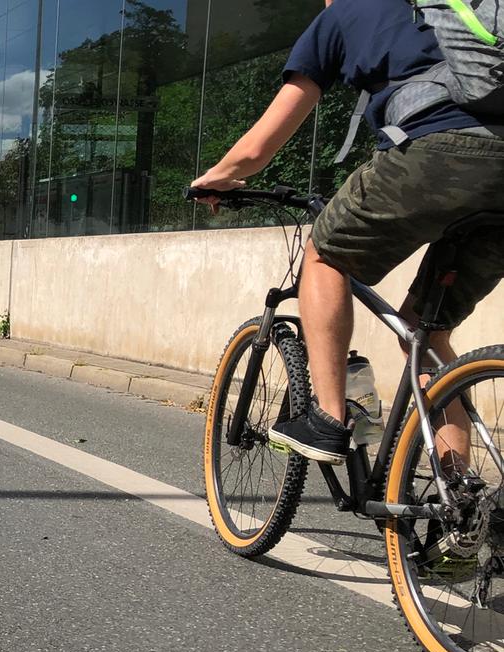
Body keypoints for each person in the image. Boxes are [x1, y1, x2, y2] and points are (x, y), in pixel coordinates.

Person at [191, 0, 504, 466]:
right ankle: (458, 503)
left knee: (323, 254)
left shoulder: (344, 14)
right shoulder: (454, 10)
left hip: (436, 154)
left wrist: (217, 177)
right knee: (424, 330)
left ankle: (328, 420)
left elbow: (259, 146)